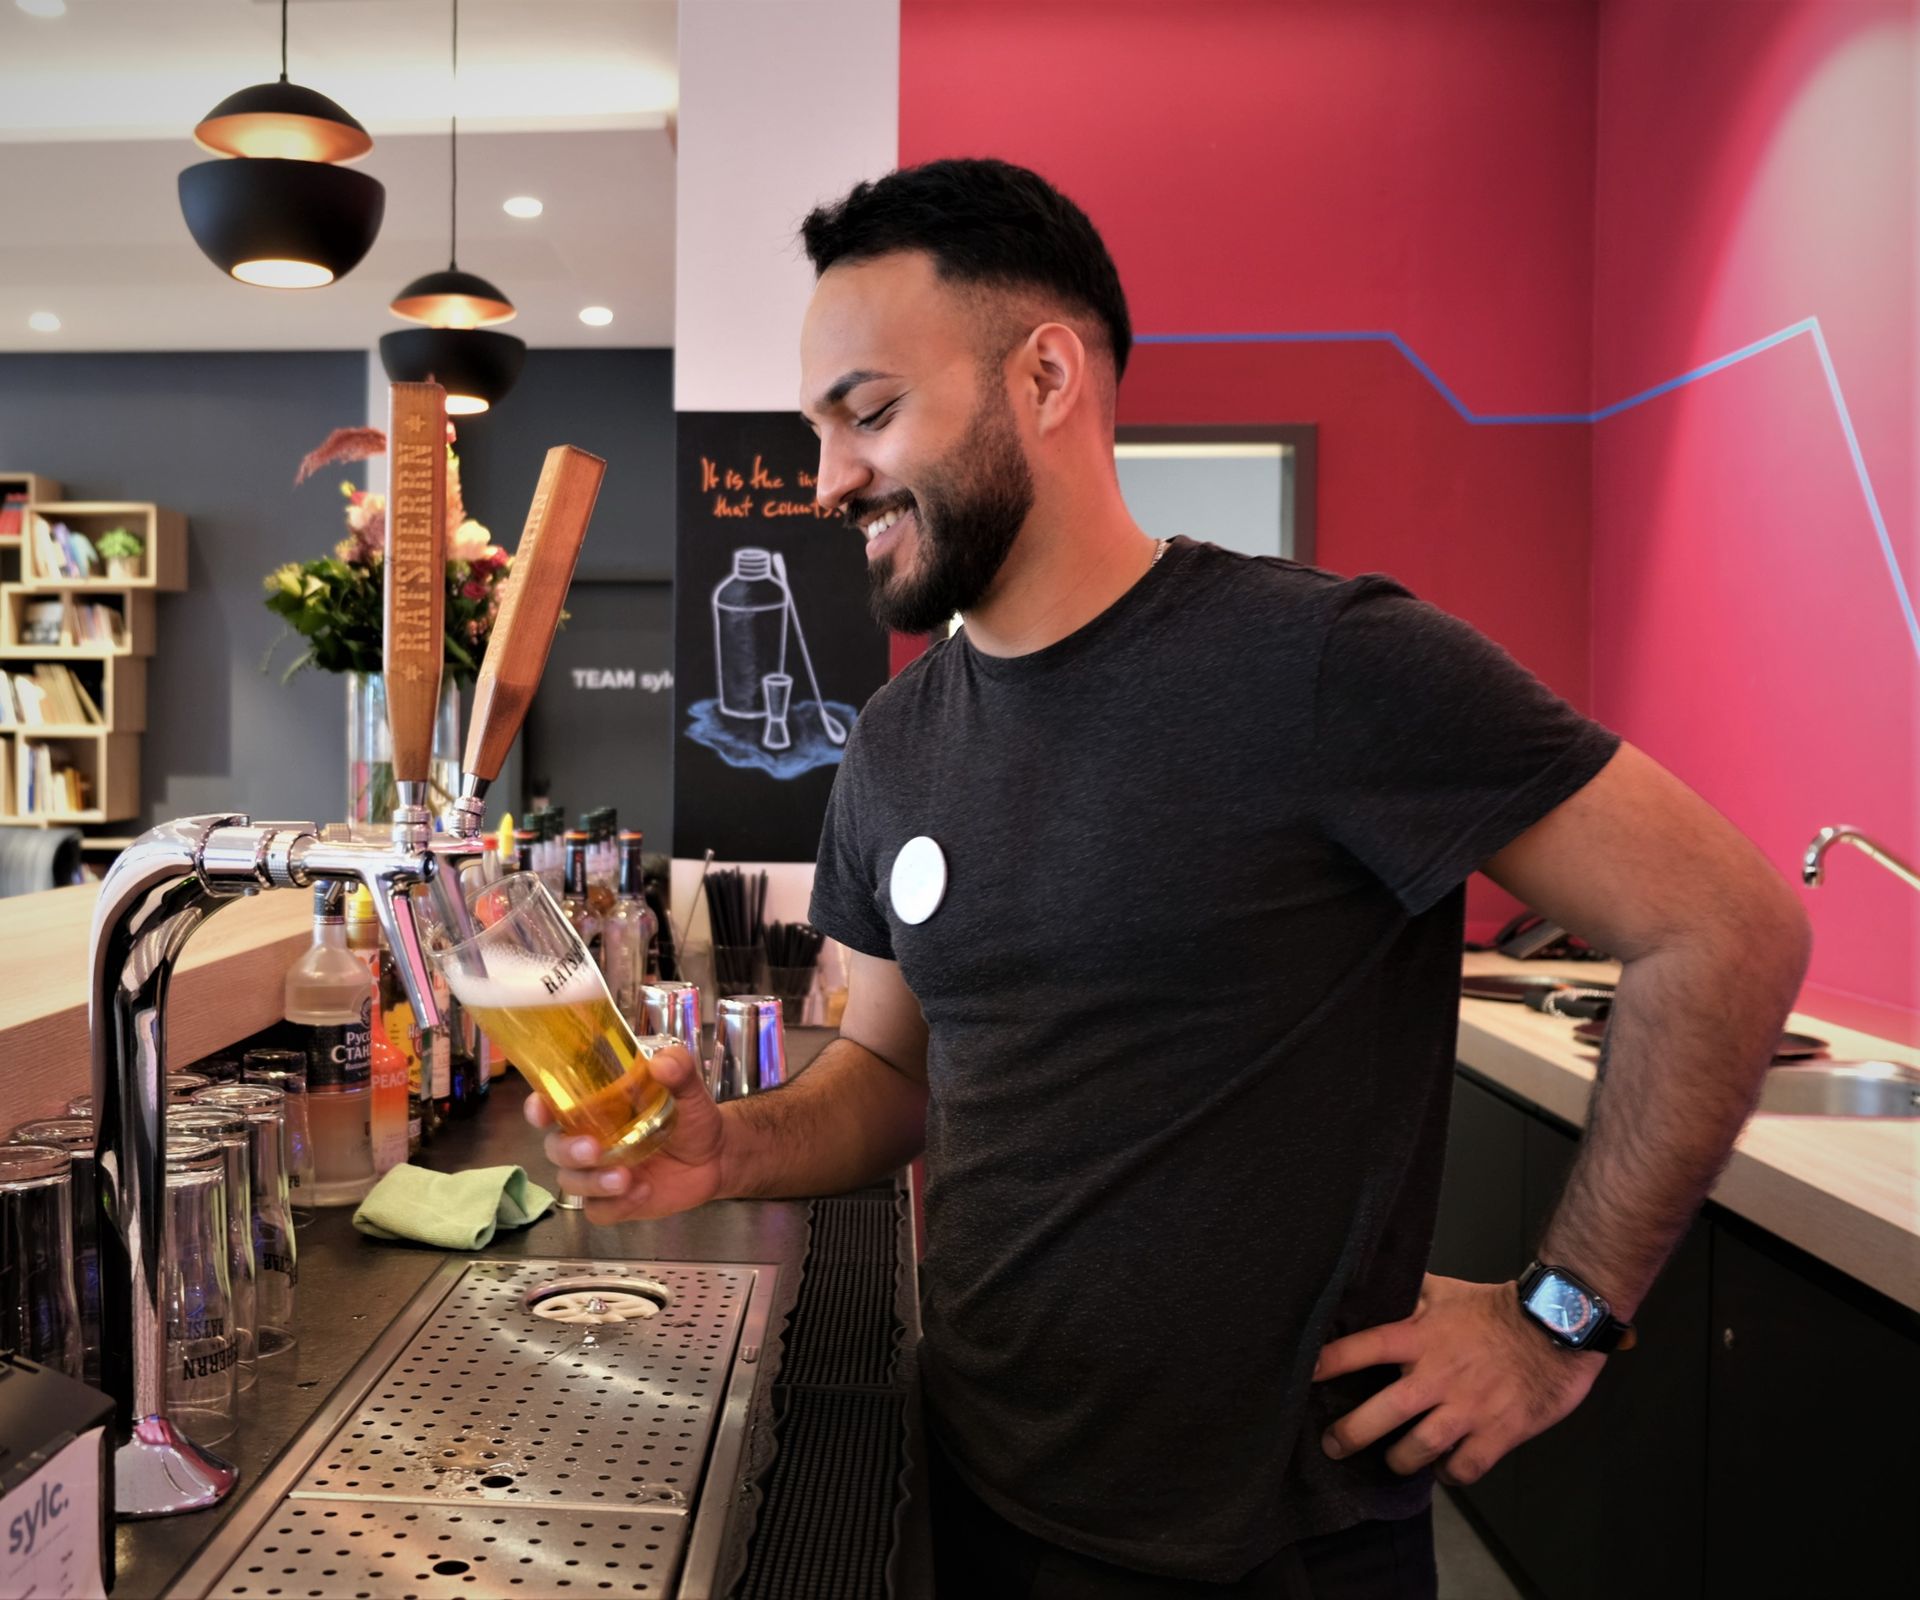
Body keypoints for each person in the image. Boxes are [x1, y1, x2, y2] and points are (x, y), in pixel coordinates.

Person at [528, 159, 1811, 1597]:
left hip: (1272, 1550)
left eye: (869, 414)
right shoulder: (892, 744)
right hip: (971, 1490)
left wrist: (1560, 1321)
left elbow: (1727, 925)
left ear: (1048, 376)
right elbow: (894, 1076)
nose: (828, 481)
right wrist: (731, 1149)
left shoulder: (1328, 665)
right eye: (819, 428)